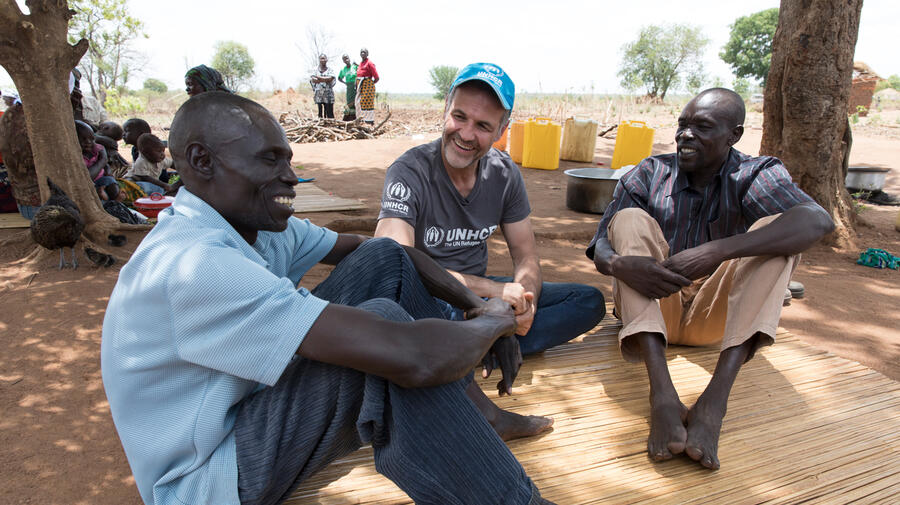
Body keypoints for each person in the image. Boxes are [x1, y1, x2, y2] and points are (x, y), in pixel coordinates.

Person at [101, 91, 554, 505]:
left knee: (382, 259)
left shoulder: (247, 224)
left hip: (242, 412)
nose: (291, 177)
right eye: (270, 160)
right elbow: (416, 356)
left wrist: (472, 305)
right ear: (201, 161)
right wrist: (497, 321)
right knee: (381, 345)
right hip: (207, 478)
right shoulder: (195, 266)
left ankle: (480, 414)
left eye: (289, 160)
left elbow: (390, 254)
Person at [586, 88, 835, 470]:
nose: (686, 135)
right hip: (654, 308)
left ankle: (713, 403)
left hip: (714, 319)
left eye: (702, 127)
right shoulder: (650, 172)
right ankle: (663, 397)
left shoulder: (755, 173)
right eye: (683, 125)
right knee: (628, 219)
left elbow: (816, 221)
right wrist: (618, 265)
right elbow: (601, 242)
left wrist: (717, 250)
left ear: (734, 135)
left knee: (778, 233)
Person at [375, 62, 605, 439]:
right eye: (459, 117)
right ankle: (481, 346)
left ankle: (478, 347)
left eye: (483, 126)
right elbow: (393, 261)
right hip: (431, 300)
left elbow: (526, 255)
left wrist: (521, 303)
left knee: (588, 301)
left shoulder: (504, 174)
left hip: (482, 305)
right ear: (445, 110)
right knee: (412, 320)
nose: (465, 134)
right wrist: (495, 296)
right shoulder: (409, 172)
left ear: (502, 130)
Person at [76, 120, 119, 201]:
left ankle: (115, 198)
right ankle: (103, 196)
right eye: (83, 139)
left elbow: (105, 163)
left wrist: (108, 171)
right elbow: (86, 177)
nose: (88, 142)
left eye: (92, 139)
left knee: (112, 184)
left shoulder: (96, 149)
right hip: (90, 184)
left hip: (102, 179)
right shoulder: (77, 155)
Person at [355, 48, 379, 124]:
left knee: (367, 102)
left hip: (367, 85)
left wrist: (370, 85)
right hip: (360, 85)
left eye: (364, 52)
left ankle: (369, 121)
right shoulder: (360, 64)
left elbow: (377, 77)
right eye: (361, 52)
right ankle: (360, 119)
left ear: (367, 54)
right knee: (358, 102)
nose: (362, 54)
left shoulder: (370, 63)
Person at [309, 54, 336, 119]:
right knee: (320, 114)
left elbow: (330, 79)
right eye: (321, 58)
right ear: (319, 60)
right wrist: (324, 79)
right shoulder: (315, 69)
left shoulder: (330, 70)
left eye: (324, 58)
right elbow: (313, 80)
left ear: (327, 60)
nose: (323, 60)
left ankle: (331, 127)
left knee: (329, 114)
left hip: (328, 95)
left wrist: (319, 77)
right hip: (319, 95)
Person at [337, 54, 358, 120]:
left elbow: (361, 70)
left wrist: (357, 64)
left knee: (356, 102)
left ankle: (355, 118)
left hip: (355, 86)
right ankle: (349, 118)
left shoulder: (354, 66)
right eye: (344, 59)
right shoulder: (343, 69)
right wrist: (345, 83)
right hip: (349, 87)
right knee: (349, 102)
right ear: (343, 61)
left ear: (349, 58)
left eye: (347, 58)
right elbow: (339, 78)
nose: (346, 60)